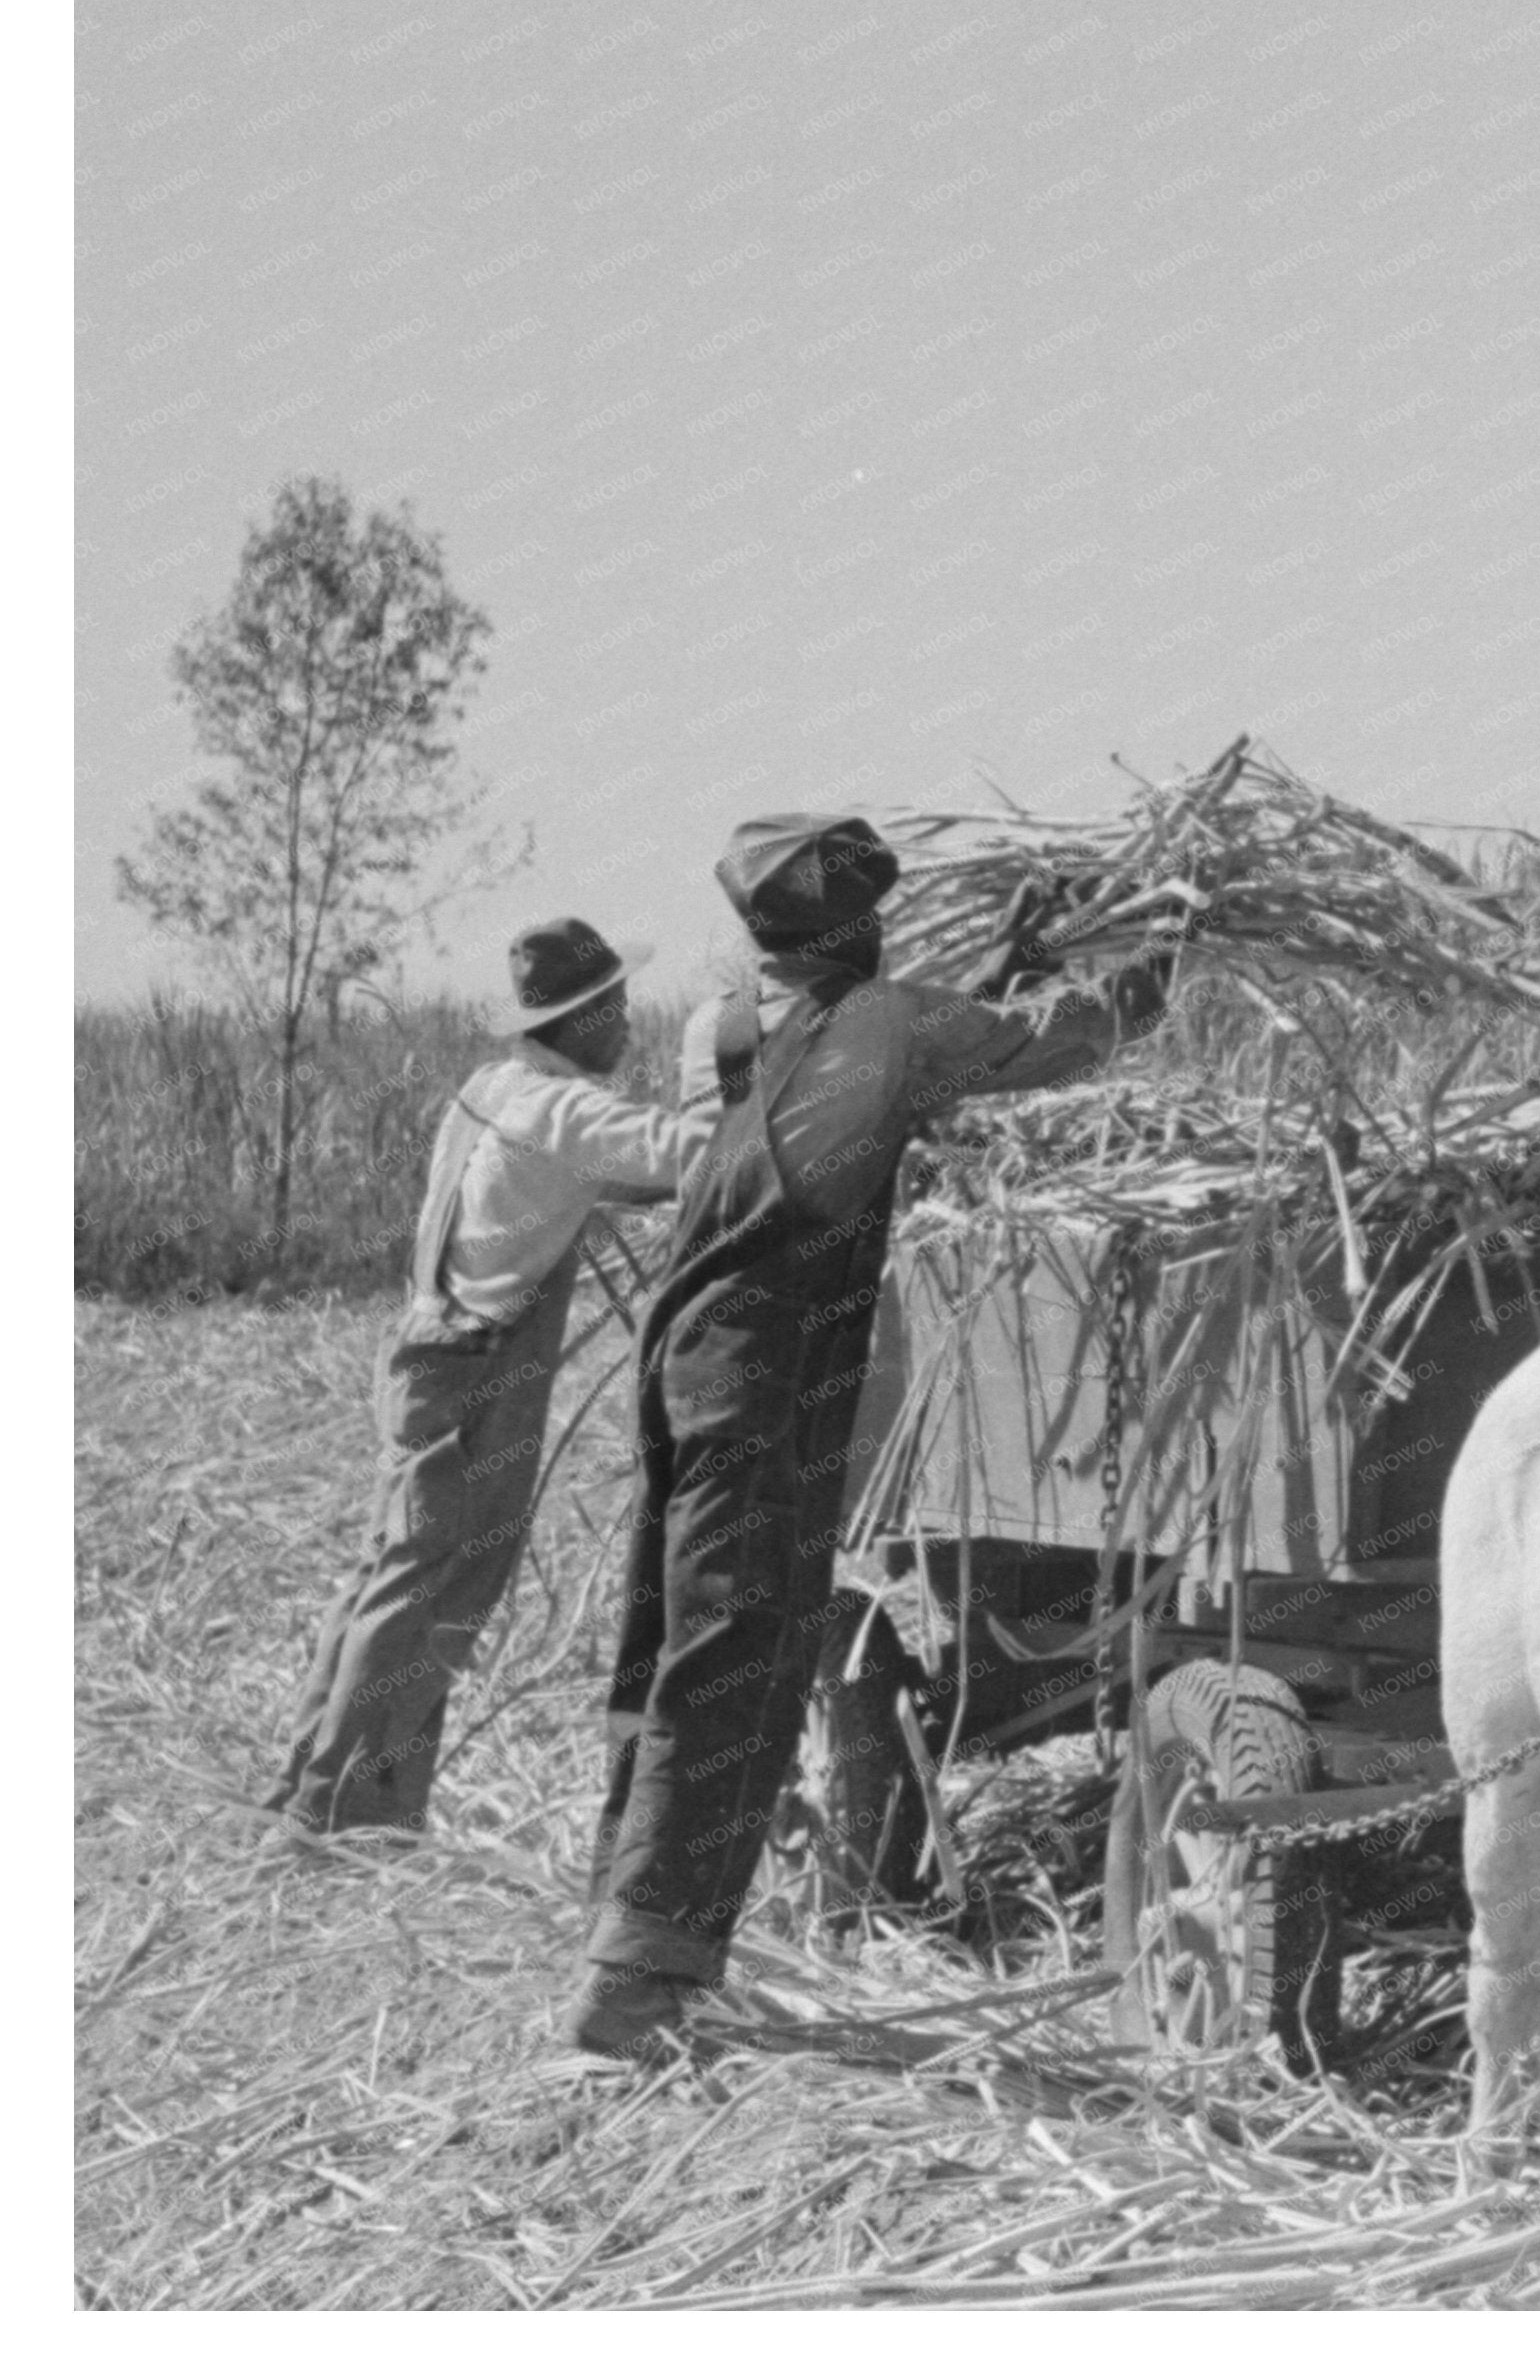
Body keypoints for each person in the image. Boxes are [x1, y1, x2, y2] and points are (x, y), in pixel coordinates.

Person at [564, 816, 1167, 2059]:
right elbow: (1046, 1046)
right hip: (770, 1377)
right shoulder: (896, 1023)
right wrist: (1158, 959)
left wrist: (1003, 961)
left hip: (684, 1355)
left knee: (668, 1640)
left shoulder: (729, 1025)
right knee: (734, 1657)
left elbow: (879, 1058)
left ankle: (615, 1918)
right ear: (862, 924)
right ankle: (636, 1981)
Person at [267, 920, 713, 1847]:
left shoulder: (495, 1089)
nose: (627, 1022)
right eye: (615, 1008)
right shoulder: (566, 1111)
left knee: (388, 1576)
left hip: (427, 1353)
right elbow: (695, 1154)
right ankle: (337, 1814)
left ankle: (326, 1790)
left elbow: (607, 1176)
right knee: (429, 1589)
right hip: (480, 1368)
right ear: (578, 1019)